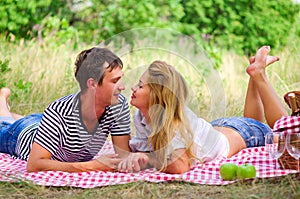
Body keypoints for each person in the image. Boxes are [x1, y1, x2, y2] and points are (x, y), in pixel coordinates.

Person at [117, 45, 288, 174]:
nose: (132, 88)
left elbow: (180, 166)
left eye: (140, 85)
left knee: (287, 134)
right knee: (254, 121)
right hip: (220, 126)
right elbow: (142, 150)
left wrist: (148, 160)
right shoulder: (141, 117)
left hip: (244, 133)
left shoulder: (175, 122)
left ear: (156, 95)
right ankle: (255, 72)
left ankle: (259, 74)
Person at [0, 47, 132, 172]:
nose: (122, 87)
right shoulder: (59, 112)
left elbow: (124, 156)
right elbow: (34, 164)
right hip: (22, 135)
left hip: (44, 123)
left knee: (32, 120)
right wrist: (93, 165)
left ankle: (13, 112)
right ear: (92, 84)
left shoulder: (118, 105)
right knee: (4, 125)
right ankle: (2, 102)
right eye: (115, 81)